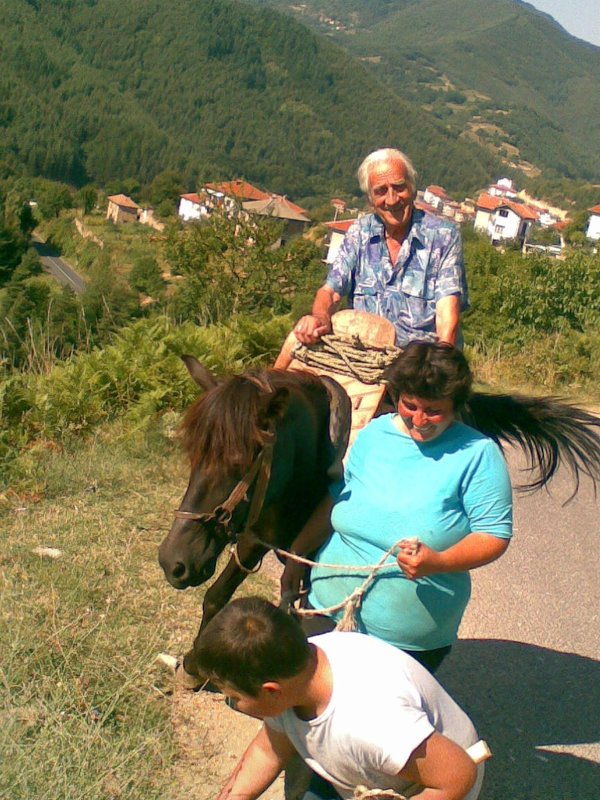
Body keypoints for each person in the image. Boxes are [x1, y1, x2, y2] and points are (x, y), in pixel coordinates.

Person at [281, 341, 512, 674]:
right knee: (313, 711)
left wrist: (438, 562)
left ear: (457, 406)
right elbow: (339, 497)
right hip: (326, 605)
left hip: (406, 636)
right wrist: (296, 556)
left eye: (434, 411)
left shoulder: (478, 455)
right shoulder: (376, 433)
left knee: (372, 723)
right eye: (410, 405)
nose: (419, 420)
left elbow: (494, 535)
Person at [189, 596, 484, 800]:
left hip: (433, 784)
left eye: (234, 697)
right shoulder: (293, 664)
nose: (234, 705)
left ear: (270, 691)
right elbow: (268, 751)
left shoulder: (372, 724)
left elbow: (457, 776)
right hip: (380, 772)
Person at [293, 148, 468, 350]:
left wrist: (442, 360)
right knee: (295, 342)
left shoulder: (443, 236)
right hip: (361, 350)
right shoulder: (359, 232)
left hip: (416, 359)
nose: (392, 199)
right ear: (370, 199)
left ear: (412, 189)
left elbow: (447, 312)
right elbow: (331, 292)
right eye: (381, 191)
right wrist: (319, 318)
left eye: (399, 188)